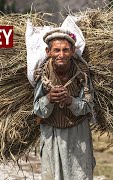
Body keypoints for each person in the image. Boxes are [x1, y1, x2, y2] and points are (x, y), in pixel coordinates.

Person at [33, 28, 95, 180]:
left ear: (73, 51)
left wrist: (70, 101)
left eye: (65, 50)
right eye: (56, 50)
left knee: (80, 175)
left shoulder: (82, 74)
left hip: (78, 134)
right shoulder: (42, 74)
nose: (61, 55)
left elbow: (88, 106)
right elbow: (37, 109)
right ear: (48, 52)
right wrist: (49, 99)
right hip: (51, 134)